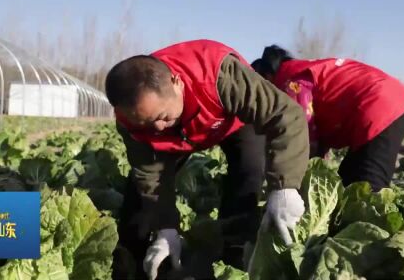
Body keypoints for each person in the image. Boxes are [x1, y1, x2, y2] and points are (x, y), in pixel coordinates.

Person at [105, 39, 309, 279]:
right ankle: (135, 264)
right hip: (177, 139)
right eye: (147, 123)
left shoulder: (220, 76)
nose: (158, 127)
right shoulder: (132, 120)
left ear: (177, 83)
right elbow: (149, 174)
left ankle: (235, 259)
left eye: (163, 116)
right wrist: (166, 228)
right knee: (138, 200)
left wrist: (285, 187)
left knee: (249, 175)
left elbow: (285, 114)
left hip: (231, 122)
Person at [252, 45, 404, 191]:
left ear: (266, 78)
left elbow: (300, 133)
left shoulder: (291, 82)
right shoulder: (302, 68)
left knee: (368, 186)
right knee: (348, 182)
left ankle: (377, 225)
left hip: (381, 108)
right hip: (388, 102)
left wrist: (293, 182)